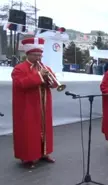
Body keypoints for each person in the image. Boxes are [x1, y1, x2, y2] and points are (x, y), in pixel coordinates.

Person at [11, 37, 57, 169]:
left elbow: (54, 84)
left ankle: (44, 153)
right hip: (28, 106)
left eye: (40, 55)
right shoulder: (19, 69)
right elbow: (21, 84)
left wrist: (50, 80)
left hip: (44, 105)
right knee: (28, 132)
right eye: (35, 55)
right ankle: (27, 157)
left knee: (45, 129)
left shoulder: (45, 67)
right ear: (28, 54)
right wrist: (39, 76)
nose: (38, 58)